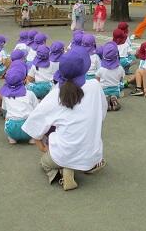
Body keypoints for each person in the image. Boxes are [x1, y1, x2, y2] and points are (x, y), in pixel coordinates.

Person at [21, 48, 107, 191]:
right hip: (92, 153)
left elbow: (33, 124)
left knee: (45, 163)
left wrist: (42, 146)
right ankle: (88, 165)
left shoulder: (55, 94)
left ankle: (62, 171)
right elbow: (102, 114)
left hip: (63, 154)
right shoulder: (95, 86)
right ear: (86, 68)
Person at [1, 63, 39, 144]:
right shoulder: (30, 93)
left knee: (7, 116)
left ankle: (12, 137)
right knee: (34, 115)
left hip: (12, 128)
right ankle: (31, 138)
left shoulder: (5, 95)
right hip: (28, 128)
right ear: (24, 80)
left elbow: (4, 110)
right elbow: (37, 109)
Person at [96, 42, 124, 111]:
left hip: (104, 90)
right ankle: (114, 97)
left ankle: (106, 99)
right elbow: (122, 79)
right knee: (120, 85)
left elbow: (97, 80)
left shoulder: (101, 69)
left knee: (101, 88)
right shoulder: (120, 68)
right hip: (116, 89)